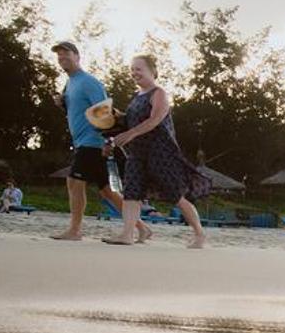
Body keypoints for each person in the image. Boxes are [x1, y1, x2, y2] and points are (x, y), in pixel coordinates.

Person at [101, 54, 208, 248]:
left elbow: (155, 119)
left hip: (160, 153)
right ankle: (127, 234)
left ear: (152, 71)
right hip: (137, 153)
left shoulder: (158, 93)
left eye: (139, 69)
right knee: (131, 192)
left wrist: (131, 133)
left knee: (175, 195)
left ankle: (200, 235)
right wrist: (112, 134)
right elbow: (128, 122)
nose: (134, 72)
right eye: (132, 69)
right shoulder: (136, 97)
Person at [48, 40, 137, 242]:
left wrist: (108, 141)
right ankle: (141, 227)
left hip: (93, 141)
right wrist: (62, 103)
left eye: (66, 53)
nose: (62, 57)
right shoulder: (70, 83)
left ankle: (75, 230)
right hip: (81, 141)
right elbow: (79, 111)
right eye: (59, 54)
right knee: (106, 191)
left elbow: (105, 112)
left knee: (74, 181)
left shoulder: (89, 82)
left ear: (77, 56)